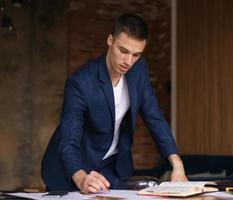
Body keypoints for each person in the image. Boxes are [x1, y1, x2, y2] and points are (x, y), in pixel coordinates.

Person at [41, 13, 187, 194]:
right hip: (71, 168)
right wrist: (80, 176)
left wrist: (177, 164)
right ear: (110, 40)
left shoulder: (139, 70)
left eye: (136, 54)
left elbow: (154, 117)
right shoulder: (81, 82)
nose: (128, 62)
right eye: (123, 51)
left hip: (111, 168)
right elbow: (68, 140)